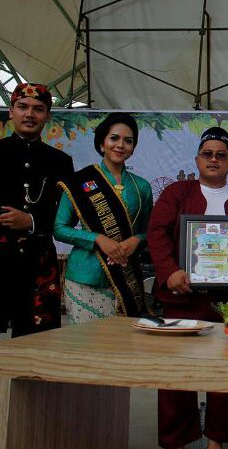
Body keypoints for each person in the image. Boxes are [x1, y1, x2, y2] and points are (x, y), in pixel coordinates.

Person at [0, 82, 74, 448]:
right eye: (23, 107)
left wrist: (32, 221)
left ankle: (32, 432)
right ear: (11, 112)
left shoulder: (60, 163)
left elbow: (66, 217)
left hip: (37, 272)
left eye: (38, 108)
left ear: (48, 116)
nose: (30, 114)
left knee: (36, 351)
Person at [146, 126, 228, 449]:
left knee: (226, 373)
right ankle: (177, 440)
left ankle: (216, 440)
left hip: (226, 304)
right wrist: (170, 272)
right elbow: (157, 233)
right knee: (176, 374)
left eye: (221, 155)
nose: (214, 159)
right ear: (197, 160)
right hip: (182, 299)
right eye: (207, 154)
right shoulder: (177, 193)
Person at [55, 112, 153, 323]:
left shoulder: (141, 187)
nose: (120, 145)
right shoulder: (79, 182)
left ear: (133, 147)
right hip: (84, 277)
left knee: (122, 340)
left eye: (128, 141)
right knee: (86, 340)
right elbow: (59, 228)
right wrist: (97, 239)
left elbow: (149, 232)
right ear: (102, 144)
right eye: (114, 138)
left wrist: (137, 240)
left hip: (126, 275)